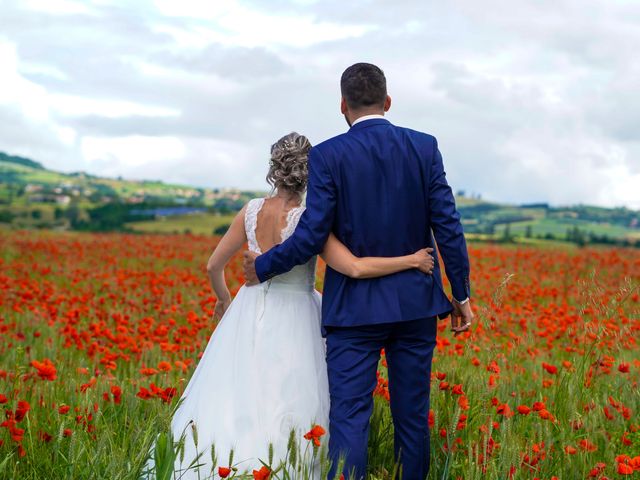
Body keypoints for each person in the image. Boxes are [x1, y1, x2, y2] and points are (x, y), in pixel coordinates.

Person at [141, 131, 436, 479]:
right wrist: (411, 260)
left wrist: (224, 300)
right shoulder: (309, 220)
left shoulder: (250, 211)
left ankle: (227, 461)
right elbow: (354, 267)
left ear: (273, 169)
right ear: (310, 173)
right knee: (289, 396)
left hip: (247, 310)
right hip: (298, 313)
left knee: (238, 391)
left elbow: (212, 266)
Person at [243, 63, 473, 480]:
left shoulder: (329, 155)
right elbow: (448, 224)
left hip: (354, 311)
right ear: (387, 102)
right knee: (412, 415)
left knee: (349, 417)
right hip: (415, 306)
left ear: (342, 105)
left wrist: (264, 265)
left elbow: (313, 233)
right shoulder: (425, 147)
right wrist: (461, 293)